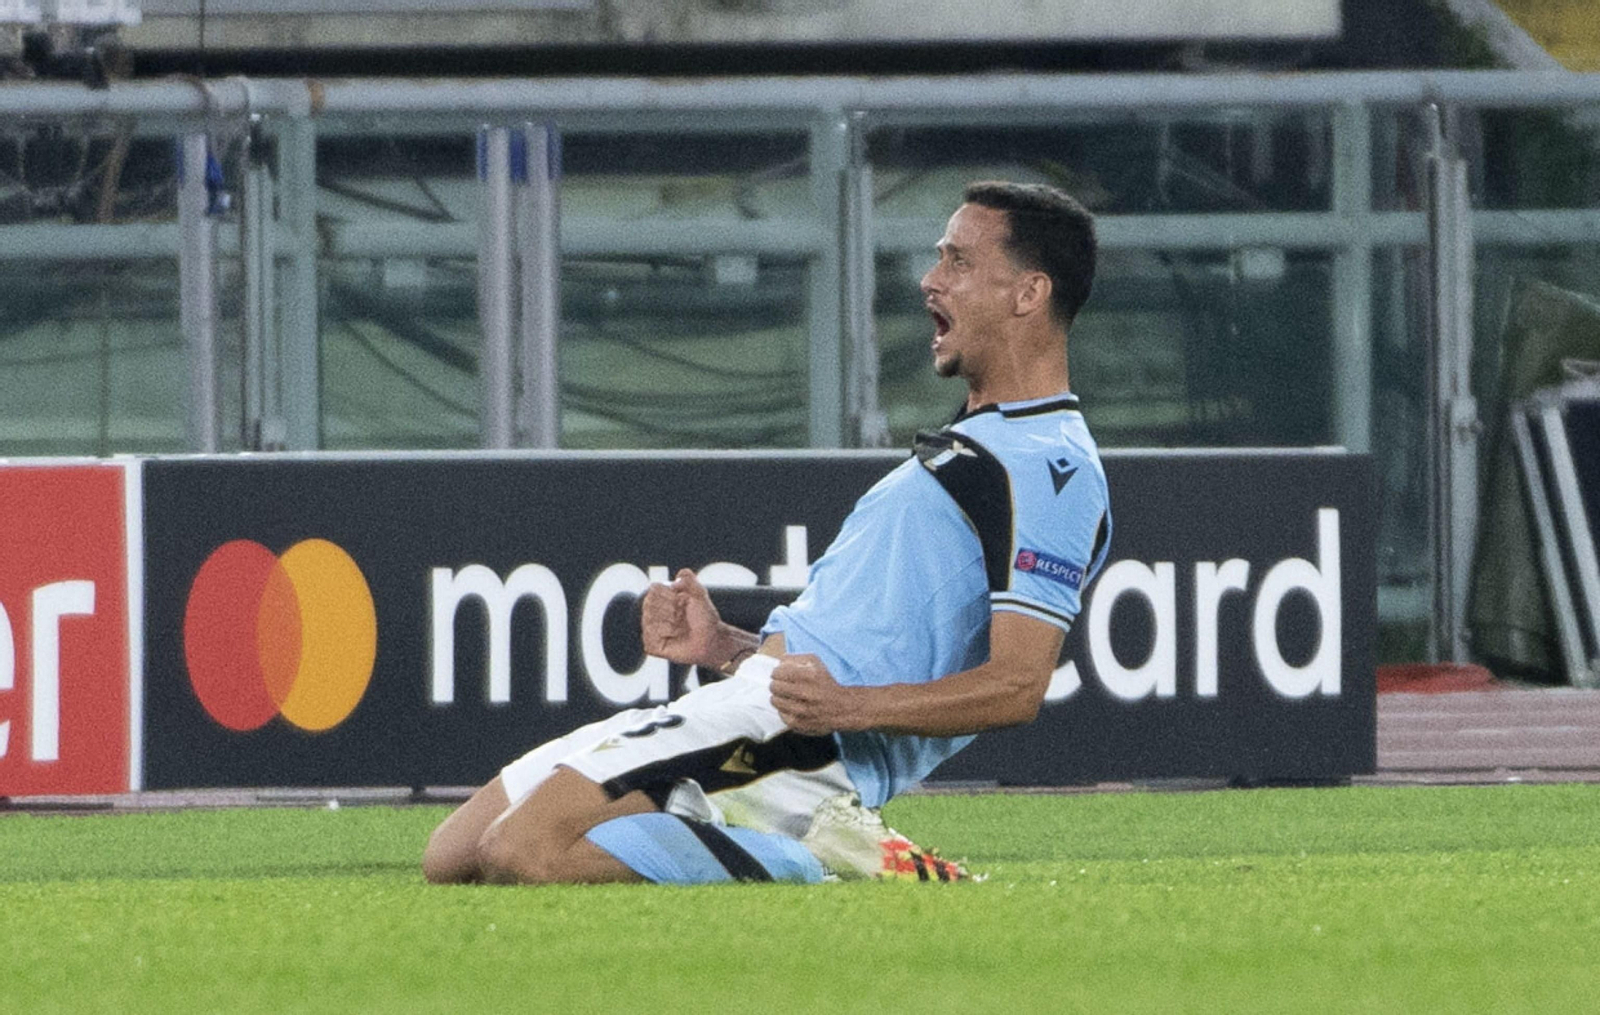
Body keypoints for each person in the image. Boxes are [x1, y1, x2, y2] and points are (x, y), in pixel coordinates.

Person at [422, 180, 1111, 885]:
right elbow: (864, 643)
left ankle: (818, 856)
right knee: (451, 856)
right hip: (756, 703)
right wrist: (725, 648)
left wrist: (851, 708)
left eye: (958, 262)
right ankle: (786, 838)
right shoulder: (974, 445)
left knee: (520, 850)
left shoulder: (1051, 465)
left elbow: (1018, 685)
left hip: (805, 746)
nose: (931, 280)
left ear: (1028, 294)